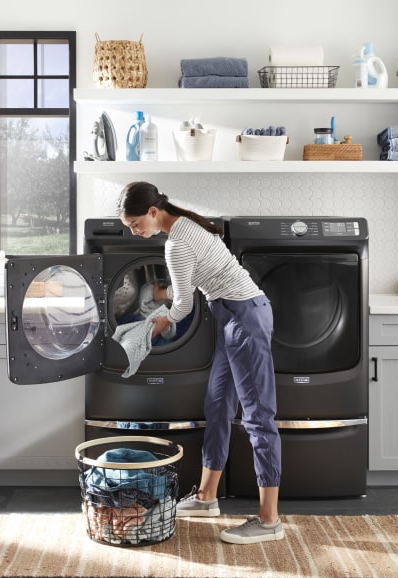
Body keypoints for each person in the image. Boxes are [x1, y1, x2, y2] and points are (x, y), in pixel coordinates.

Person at [117, 181, 283, 545]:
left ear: (152, 212)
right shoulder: (185, 225)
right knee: (218, 404)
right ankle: (207, 497)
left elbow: (184, 305)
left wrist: (160, 322)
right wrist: (164, 305)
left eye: (135, 224)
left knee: (258, 417)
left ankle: (270, 520)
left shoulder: (176, 243)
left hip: (245, 318)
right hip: (233, 316)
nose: (134, 231)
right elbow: (189, 287)